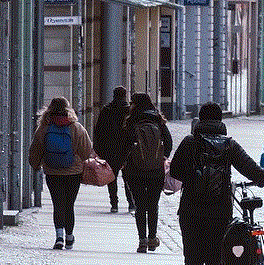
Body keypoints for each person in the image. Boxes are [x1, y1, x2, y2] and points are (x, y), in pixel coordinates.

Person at [168, 103, 264, 265]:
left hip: (191, 210)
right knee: (216, 256)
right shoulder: (229, 145)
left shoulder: (190, 142)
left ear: (199, 120)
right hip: (219, 211)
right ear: (220, 121)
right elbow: (252, 170)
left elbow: (175, 171)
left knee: (192, 260)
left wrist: (194, 177)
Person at [28, 97, 92, 250]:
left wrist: (36, 164)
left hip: (52, 171)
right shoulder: (76, 127)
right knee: (69, 204)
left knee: (58, 204)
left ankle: (59, 237)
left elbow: (36, 149)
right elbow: (86, 150)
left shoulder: (44, 128)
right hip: (73, 172)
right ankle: (70, 237)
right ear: (68, 109)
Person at [122, 92, 174, 253]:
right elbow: (169, 141)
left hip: (135, 170)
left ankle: (142, 240)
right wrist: (162, 157)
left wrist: (126, 161)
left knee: (140, 206)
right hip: (156, 170)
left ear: (135, 104)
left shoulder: (131, 121)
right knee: (153, 205)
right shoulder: (158, 120)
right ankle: (152, 238)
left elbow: (124, 143)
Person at [92, 86, 133, 214]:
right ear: (125, 95)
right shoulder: (129, 111)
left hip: (109, 149)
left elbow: (98, 131)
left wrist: (98, 150)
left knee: (111, 177)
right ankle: (131, 203)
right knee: (129, 179)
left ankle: (114, 204)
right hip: (126, 150)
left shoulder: (106, 110)